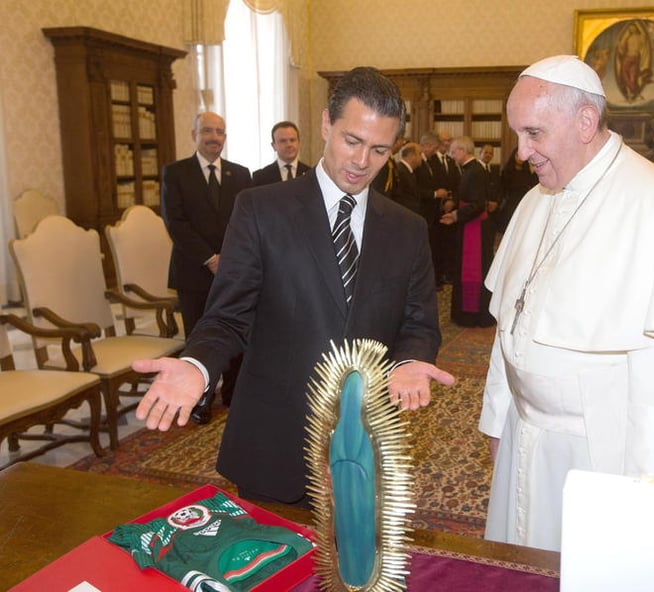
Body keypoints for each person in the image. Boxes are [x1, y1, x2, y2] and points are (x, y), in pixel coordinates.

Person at [134, 67, 455, 507]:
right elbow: (227, 317)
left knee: (352, 571)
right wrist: (198, 365)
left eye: (380, 149)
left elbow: (419, 323)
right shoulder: (260, 209)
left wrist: (412, 361)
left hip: (365, 442)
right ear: (326, 124)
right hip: (274, 439)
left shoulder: (408, 229)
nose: (362, 162)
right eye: (351, 141)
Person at [478, 55, 654, 552]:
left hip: (604, 456)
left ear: (584, 122)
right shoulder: (537, 199)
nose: (520, 152)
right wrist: (499, 420)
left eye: (533, 133)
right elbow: (508, 325)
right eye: (517, 134)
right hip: (525, 439)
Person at [160, 111, 252, 424]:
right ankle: (200, 400)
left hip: (234, 270)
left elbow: (246, 223)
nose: (215, 137)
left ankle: (236, 395)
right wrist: (211, 259)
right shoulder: (175, 173)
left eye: (220, 132)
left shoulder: (240, 174)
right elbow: (176, 223)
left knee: (236, 332)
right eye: (208, 131)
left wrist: (231, 259)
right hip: (193, 271)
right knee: (200, 338)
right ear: (194, 134)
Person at [440, 136, 495, 327]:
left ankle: (473, 314)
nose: (452, 155)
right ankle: (465, 312)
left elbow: (478, 204)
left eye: (454, 151)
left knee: (473, 271)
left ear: (464, 150)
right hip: (469, 224)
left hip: (476, 228)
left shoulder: (475, 171)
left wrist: (456, 215)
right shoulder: (469, 170)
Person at [252, 121, 310, 186]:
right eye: (283, 141)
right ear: (273, 146)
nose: (289, 145)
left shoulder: (310, 174)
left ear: (299, 143)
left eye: (292, 140)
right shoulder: (260, 177)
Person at [497, 148, 538, 234]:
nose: (520, 158)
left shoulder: (526, 171)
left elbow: (532, 186)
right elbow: (503, 189)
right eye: (518, 155)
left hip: (523, 203)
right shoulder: (507, 171)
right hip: (510, 205)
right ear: (513, 156)